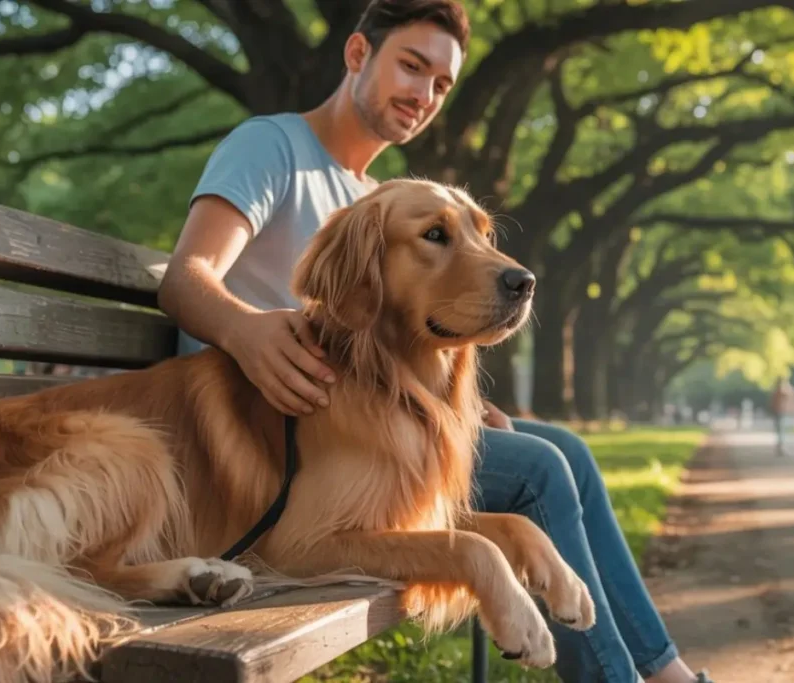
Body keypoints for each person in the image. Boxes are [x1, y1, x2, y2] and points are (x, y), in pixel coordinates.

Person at [155, 2, 712, 681]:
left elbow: (395, 346)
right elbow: (185, 278)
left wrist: (460, 410)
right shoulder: (273, 148)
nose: (423, 94)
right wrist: (246, 330)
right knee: (539, 469)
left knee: (565, 449)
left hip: (369, 430)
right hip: (272, 439)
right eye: (411, 66)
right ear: (358, 54)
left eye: (441, 83)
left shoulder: (380, 191)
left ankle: (665, 671)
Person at [769, 376, 794, 456]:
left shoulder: (783, 390)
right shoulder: (784, 390)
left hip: (785, 412)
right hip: (781, 412)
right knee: (781, 430)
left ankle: (781, 446)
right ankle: (781, 446)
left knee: (782, 430)